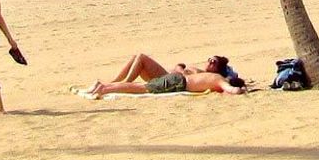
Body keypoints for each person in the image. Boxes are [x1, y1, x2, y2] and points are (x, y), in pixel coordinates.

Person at [85, 54, 246, 97]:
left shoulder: (218, 79)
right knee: (141, 87)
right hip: (176, 81)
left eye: (213, 62)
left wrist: (237, 89)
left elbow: (230, 89)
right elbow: (231, 90)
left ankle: (105, 87)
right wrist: (239, 89)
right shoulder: (216, 80)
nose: (209, 62)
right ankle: (105, 87)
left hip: (176, 80)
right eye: (210, 60)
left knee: (141, 86)